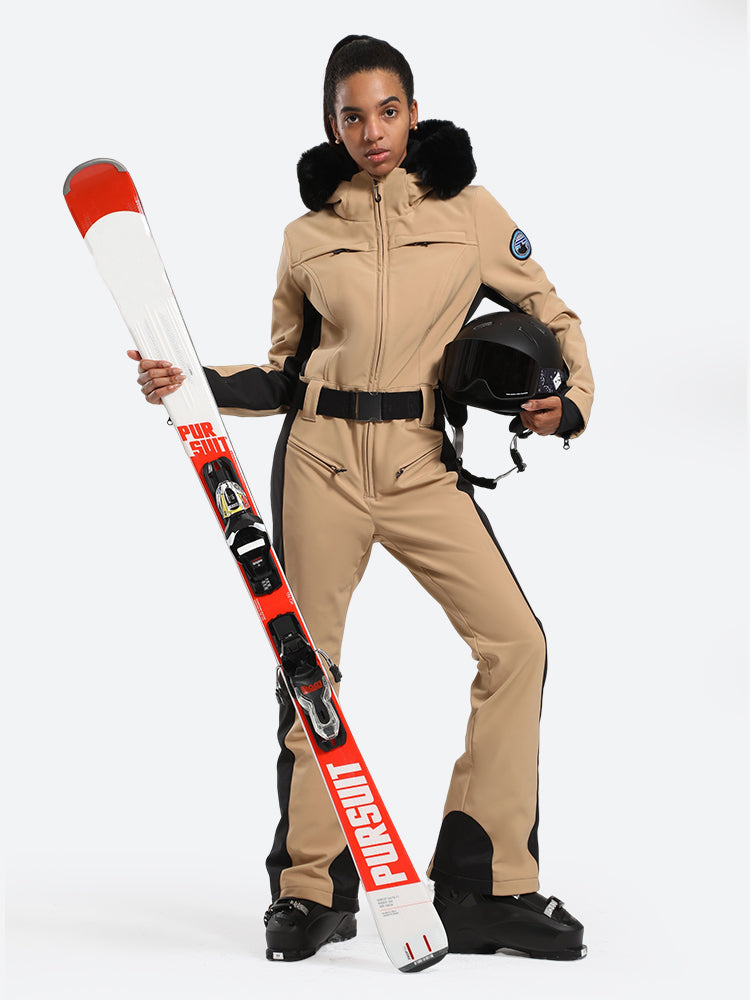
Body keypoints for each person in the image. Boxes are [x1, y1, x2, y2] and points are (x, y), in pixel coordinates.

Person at [129, 35, 594, 963]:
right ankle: (311, 888)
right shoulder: (307, 236)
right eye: (353, 116)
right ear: (332, 124)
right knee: (311, 670)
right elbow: (283, 372)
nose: (372, 131)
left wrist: (568, 400)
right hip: (322, 463)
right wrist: (192, 385)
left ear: (413, 112)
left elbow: (551, 310)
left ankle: (485, 883)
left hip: (420, 462)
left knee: (517, 643)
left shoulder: (469, 213)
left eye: (387, 111)